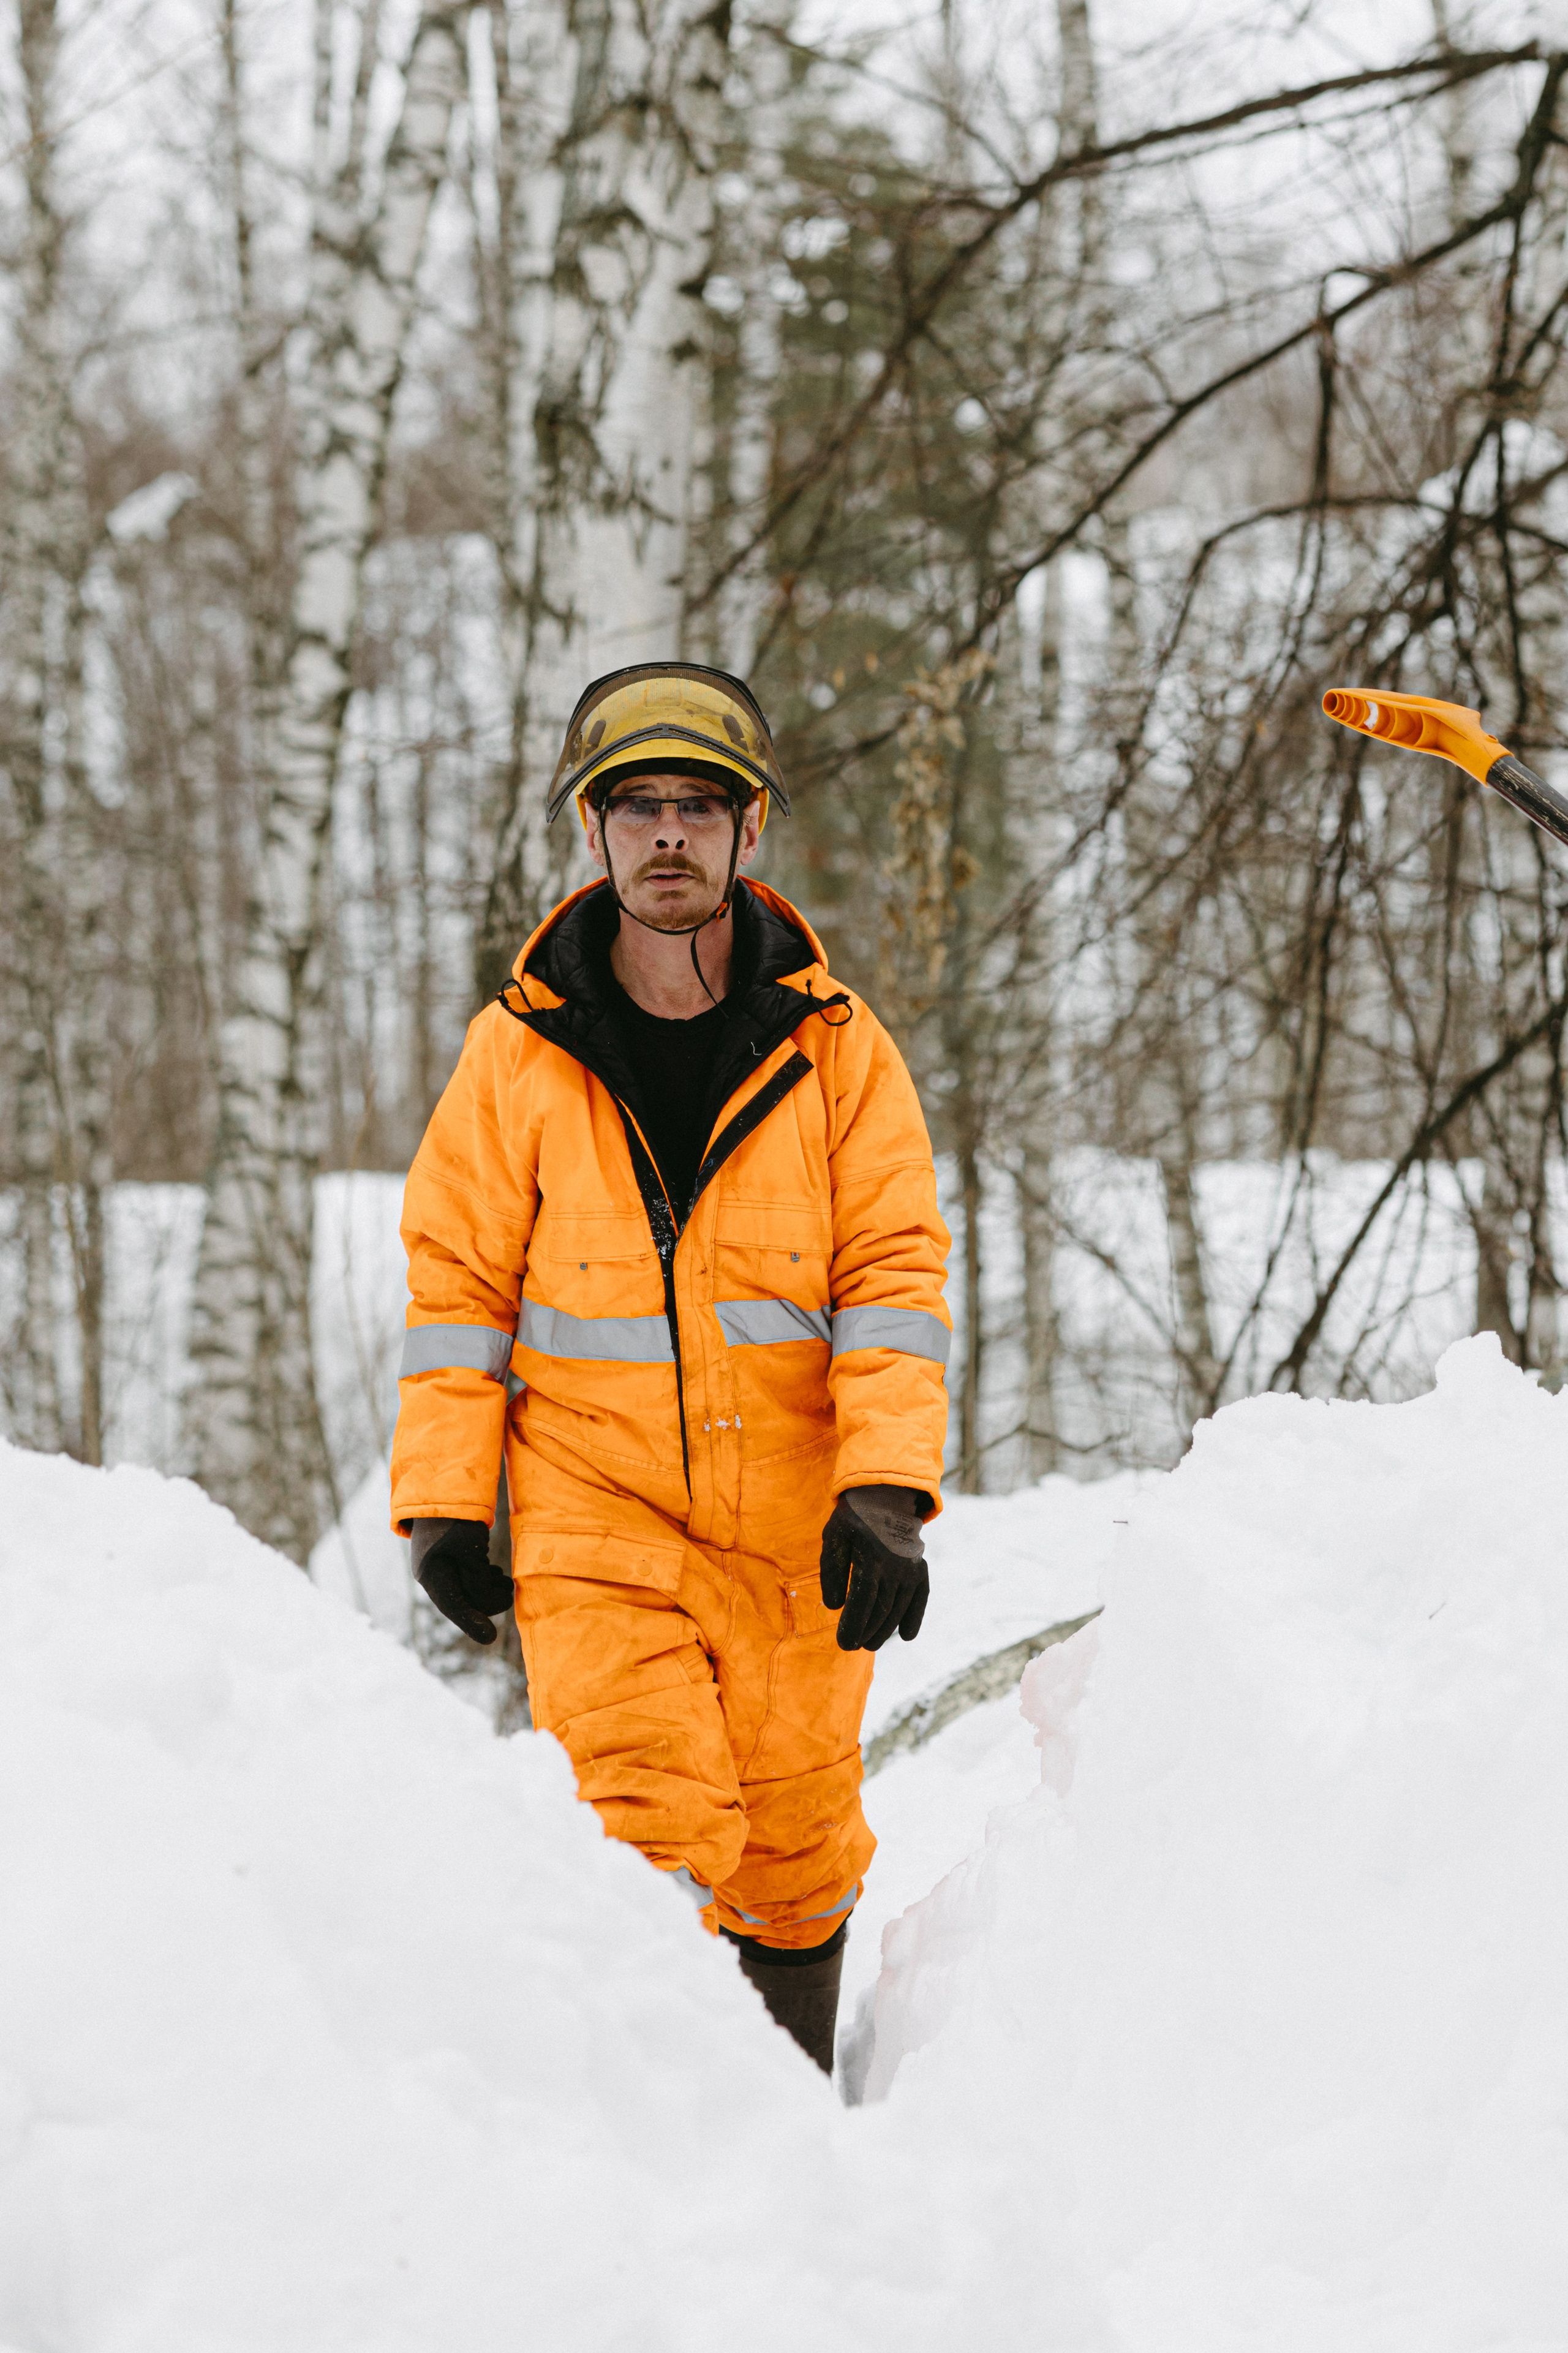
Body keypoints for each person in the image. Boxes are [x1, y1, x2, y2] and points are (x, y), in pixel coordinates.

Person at [391, 663, 951, 2073]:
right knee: (638, 1834)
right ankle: (653, 2175)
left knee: (795, 1848)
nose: (665, 834)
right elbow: (457, 1288)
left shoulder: (836, 1055)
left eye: (697, 805)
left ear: (748, 830)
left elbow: (893, 1275)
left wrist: (884, 1486)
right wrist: (446, 1501)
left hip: (793, 1523)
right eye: (633, 804)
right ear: (592, 832)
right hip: (595, 1516)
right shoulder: (513, 1056)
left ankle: (797, 2162)